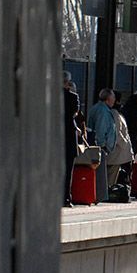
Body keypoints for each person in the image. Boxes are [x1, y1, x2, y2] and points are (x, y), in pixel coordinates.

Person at [88, 88, 118, 184]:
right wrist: (103, 146)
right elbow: (101, 130)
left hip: (99, 146)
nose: (114, 100)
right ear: (108, 99)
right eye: (113, 97)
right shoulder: (103, 111)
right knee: (101, 175)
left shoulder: (98, 108)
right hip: (101, 148)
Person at [62, 71, 81, 207]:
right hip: (68, 136)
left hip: (54, 137)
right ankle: (66, 198)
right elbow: (75, 113)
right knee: (68, 170)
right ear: (68, 82)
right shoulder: (73, 97)